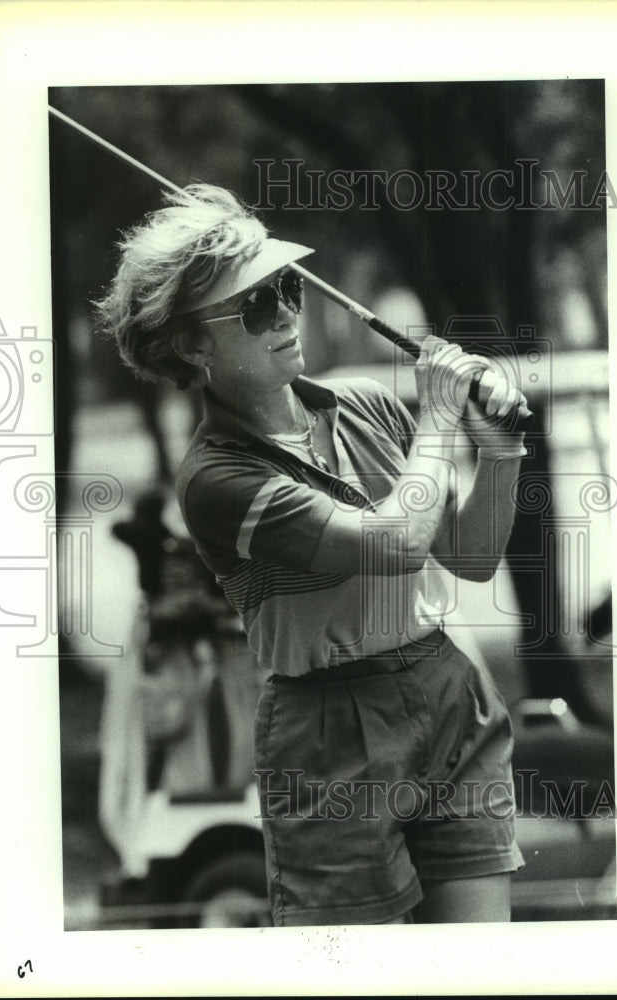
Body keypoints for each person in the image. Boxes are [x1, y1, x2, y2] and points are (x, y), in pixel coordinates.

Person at [96, 183, 529, 926]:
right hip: (329, 725)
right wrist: (437, 419)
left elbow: (470, 557)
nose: (288, 314)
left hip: (447, 691)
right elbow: (396, 543)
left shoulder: (366, 404)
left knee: (477, 962)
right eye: (256, 305)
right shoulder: (217, 477)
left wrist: (501, 452)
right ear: (192, 345)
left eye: (288, 288)